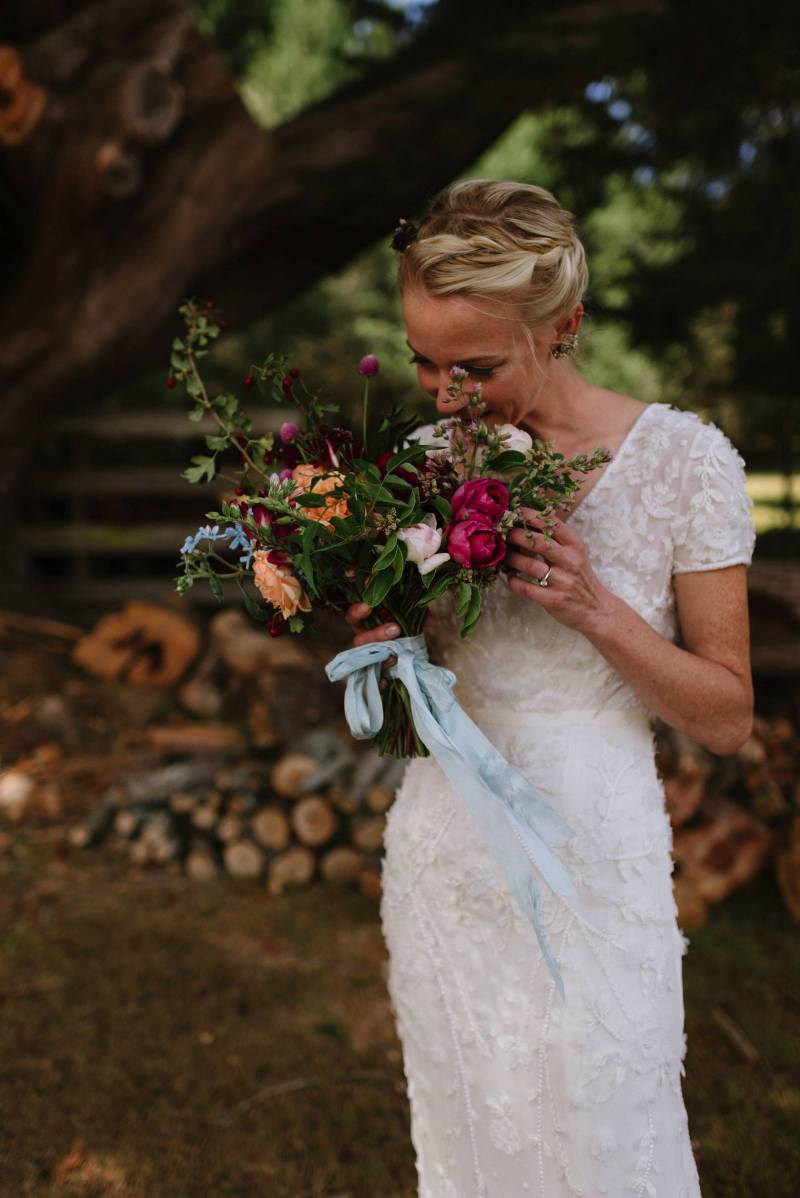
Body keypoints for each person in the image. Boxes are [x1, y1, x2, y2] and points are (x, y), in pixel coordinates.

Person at [346, 179, 755, 1197]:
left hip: (592, 851)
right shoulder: (420, 465)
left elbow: (726, 719)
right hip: (446, 845)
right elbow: (416, 690)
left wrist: (596, 606)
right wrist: (382, 639)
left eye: (473, 366)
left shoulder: (685, 464)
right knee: (469, 1136)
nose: (445, 395)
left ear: (562, 323)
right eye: (424, 363)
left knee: (606, 1131)